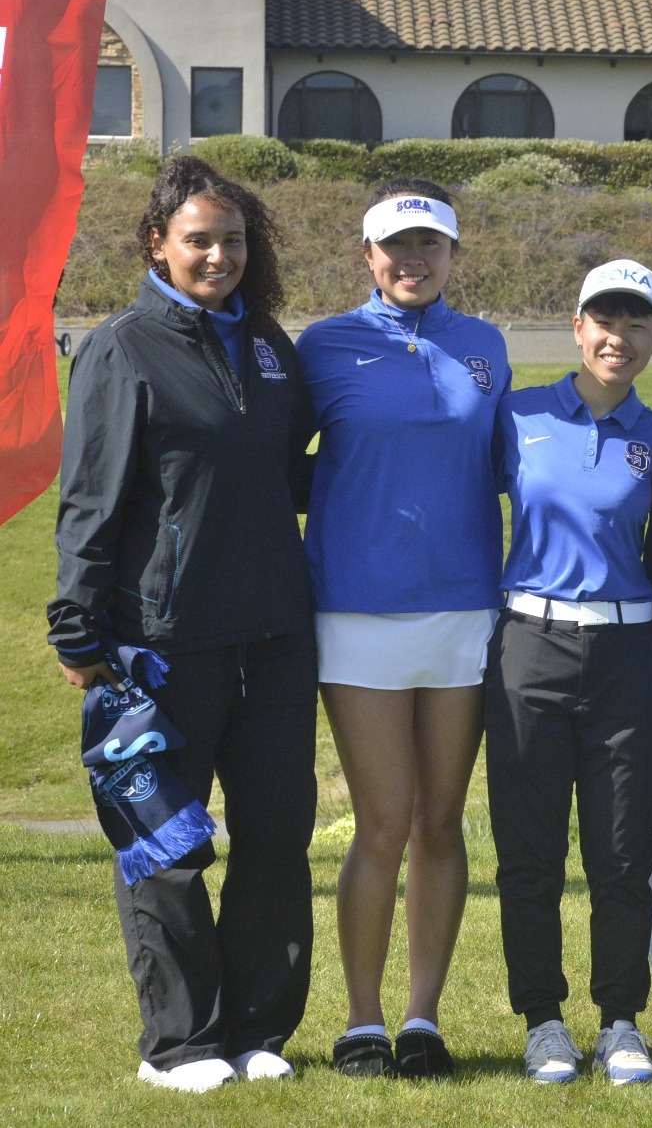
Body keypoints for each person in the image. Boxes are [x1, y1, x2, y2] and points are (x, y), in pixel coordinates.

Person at [48, 156, 318, 1091]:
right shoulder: (122, 347)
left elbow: (288, 476)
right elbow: (91, 500)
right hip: (163, 643)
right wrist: (77, 629)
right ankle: (182, 1043)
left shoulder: (272, 347)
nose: (218, 256)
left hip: (278, 637)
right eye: (198, 240)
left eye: (233, 239)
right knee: (164, 846)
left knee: (278, 839)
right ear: (157, 245)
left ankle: (258, 1032)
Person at [297, 179, 511, 1078]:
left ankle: (422, 1018)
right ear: (367, 257)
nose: (412, 260)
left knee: (441, 821)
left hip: (464, 603)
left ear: (454, 255)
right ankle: (361, 1019)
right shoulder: (324, 347)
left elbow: (511, 464)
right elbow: (271, 463)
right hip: (356, 606)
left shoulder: (484, 347)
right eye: (395, 247)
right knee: (381, 820)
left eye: (430, 246)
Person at [485, 260, 652, 1085]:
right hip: (529, 646)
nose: (618, 336)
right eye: (604, 319)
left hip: (626, 657)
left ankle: (622, 1020)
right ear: (576, 327)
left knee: (620, 854)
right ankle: (542, 1020)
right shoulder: (518, 414)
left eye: (637, 323)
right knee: (528, 852)